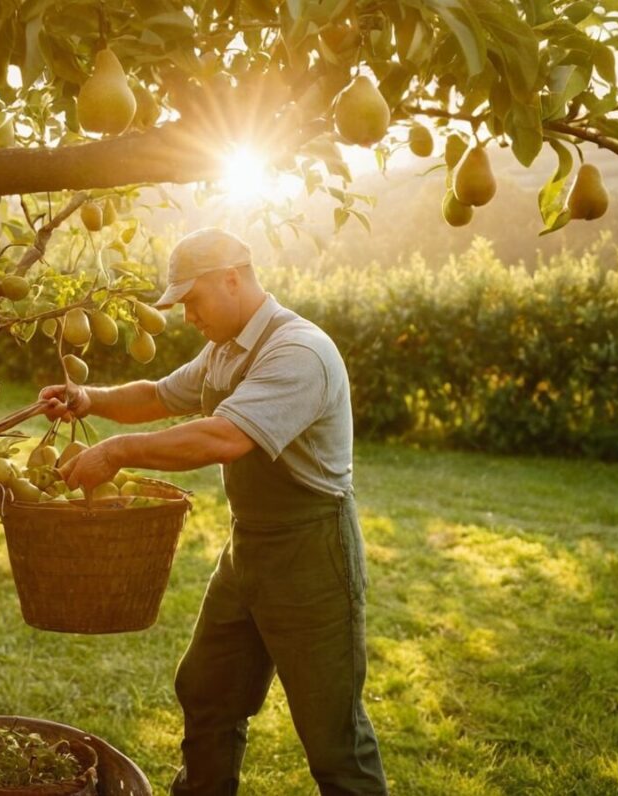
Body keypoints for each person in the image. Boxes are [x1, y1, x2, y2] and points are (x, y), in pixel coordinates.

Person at [40, 228, 388, 796]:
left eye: (191, 301)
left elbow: (224, 438)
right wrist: (92, 399)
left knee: (333, 738)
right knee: (206, 690)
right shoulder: (225, 350)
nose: (186, 317)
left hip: (312, 557)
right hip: (248, 547)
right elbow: (157, 394)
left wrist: (117, 451)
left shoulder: (297, 352)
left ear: (233, 279)